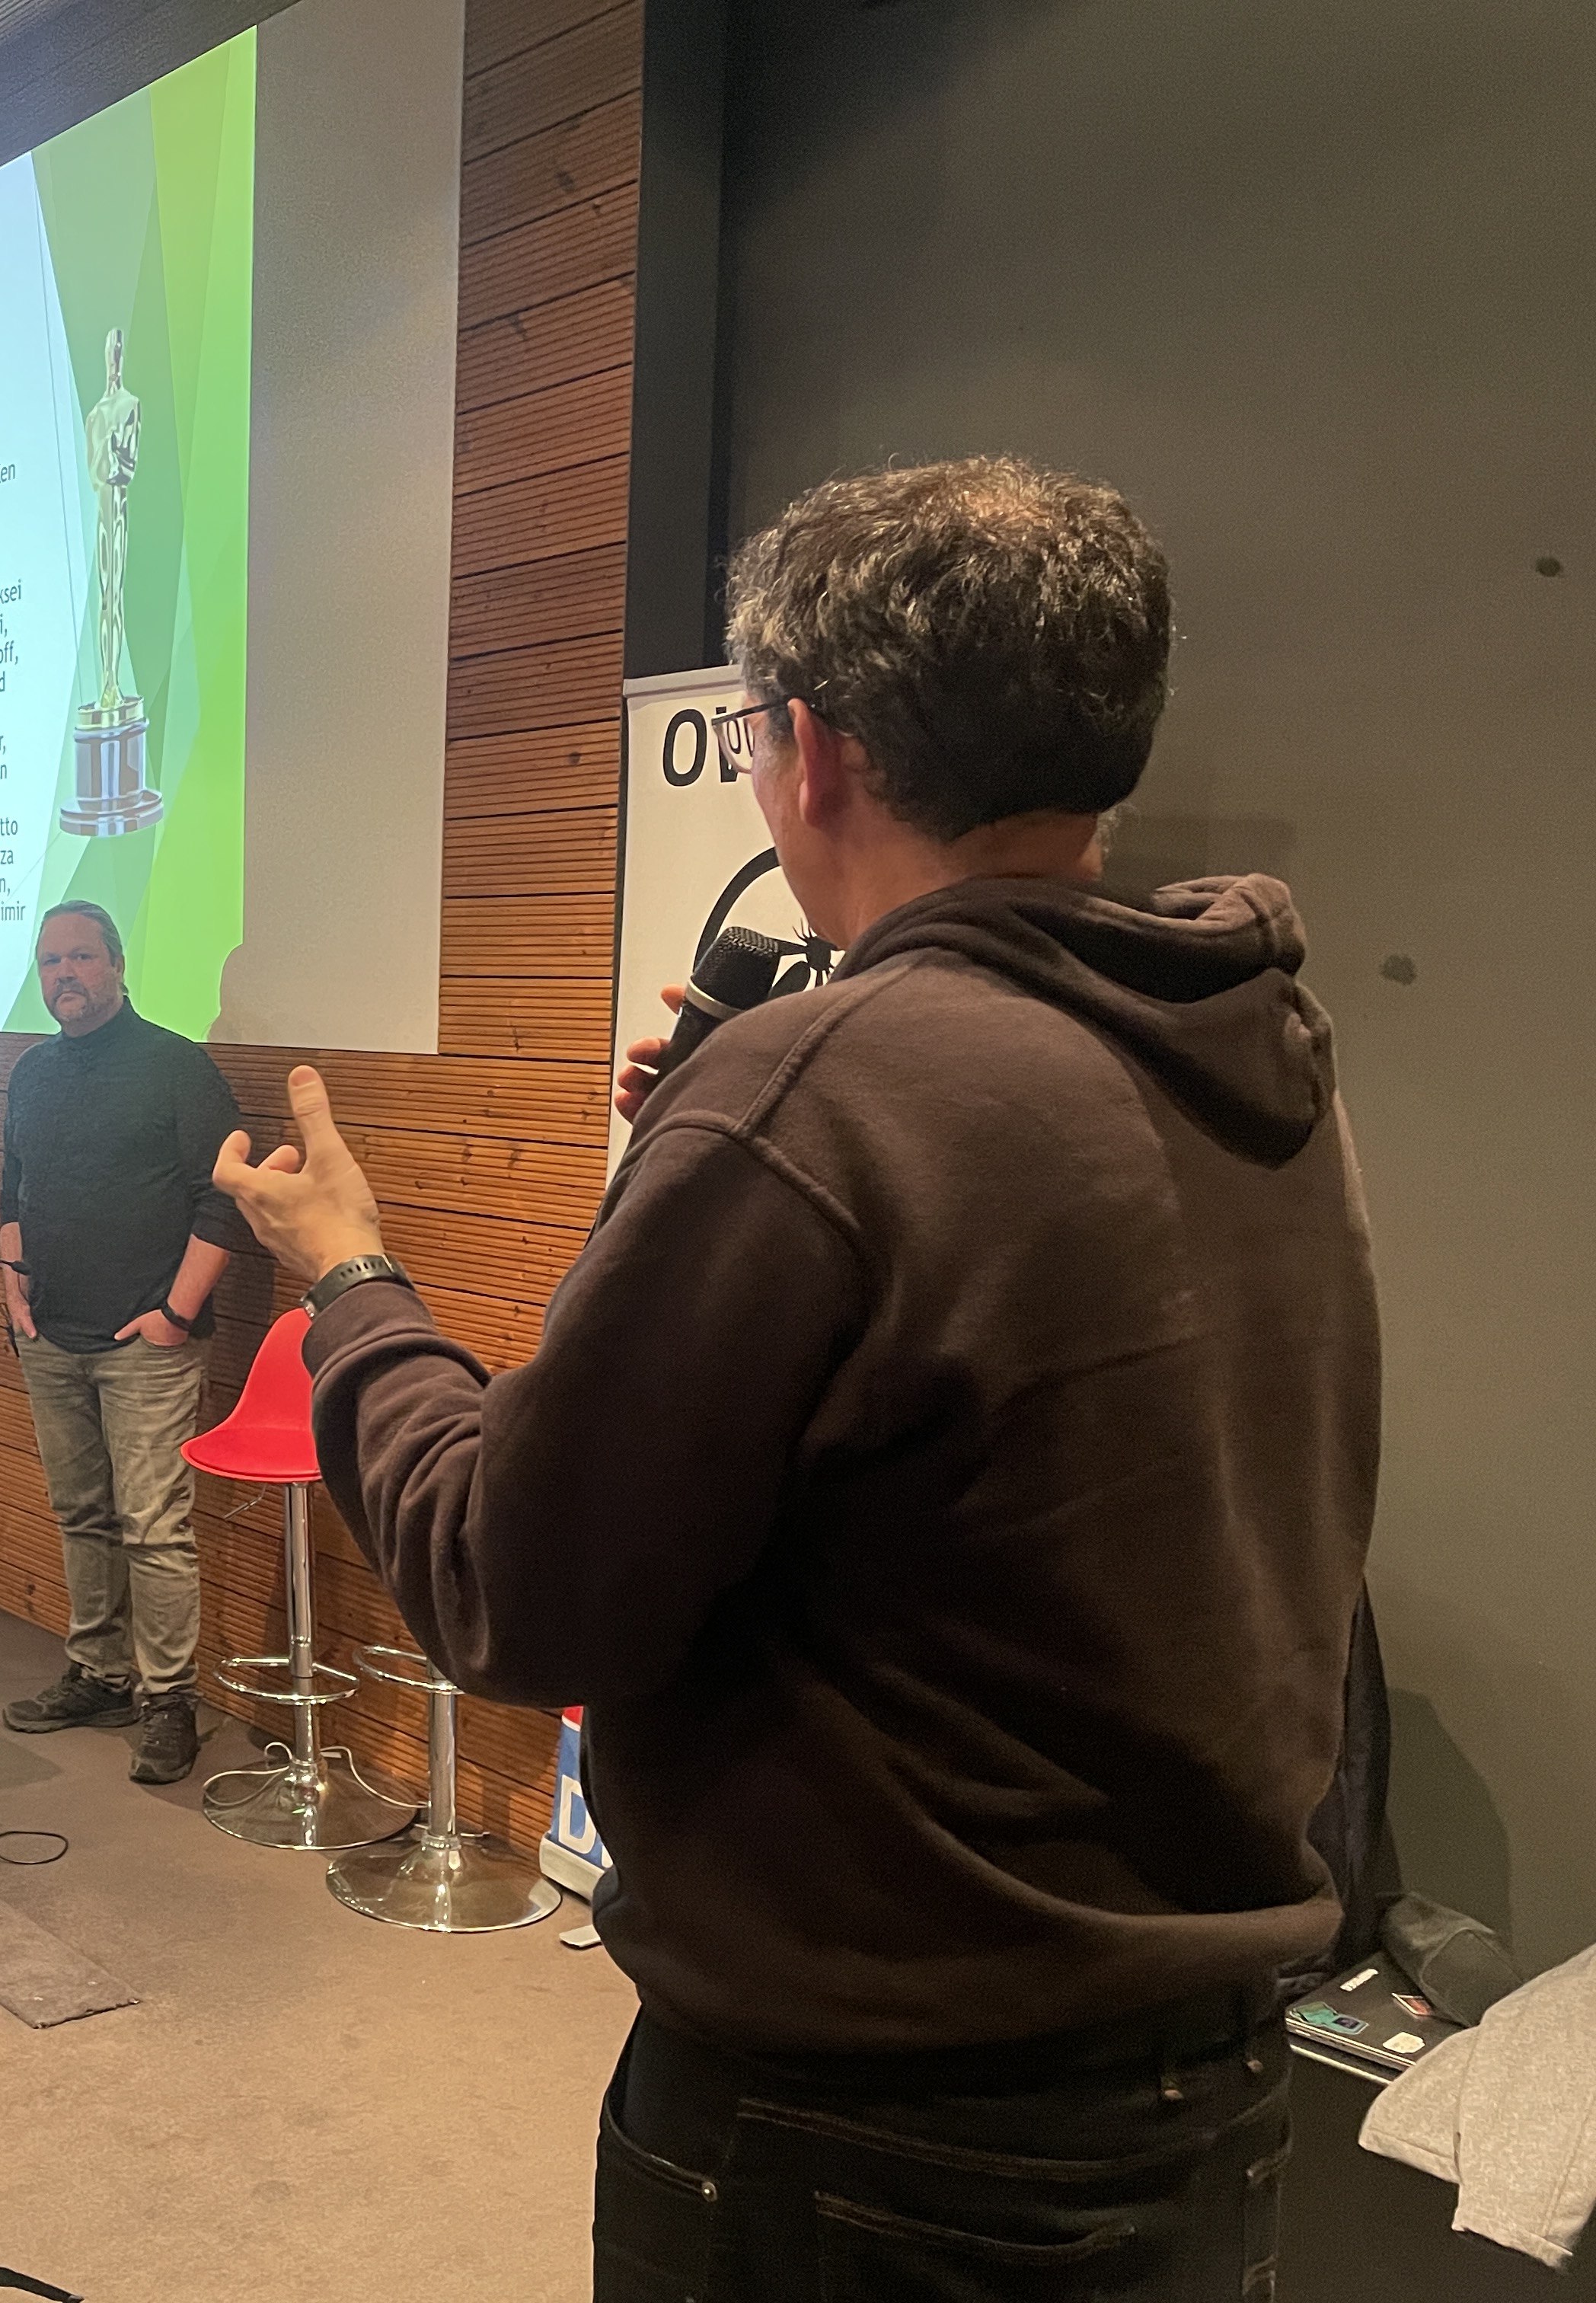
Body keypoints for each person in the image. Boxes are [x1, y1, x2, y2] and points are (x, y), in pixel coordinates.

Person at [215, 457, 1377, 2300]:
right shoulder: (1257, 1060)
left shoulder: (821, 1095)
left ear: (810, 752)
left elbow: (505, 1587)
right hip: (1193, 2099)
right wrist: (749, 1120)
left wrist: (351, 1279)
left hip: (871, 2152)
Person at [0, 899, 247, 1785]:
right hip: (51, 1337)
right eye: (50, 961)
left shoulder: (177, 1069)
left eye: (81, 958)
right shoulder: (31, 1072)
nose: (64, 975)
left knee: (154, 1527)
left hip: (149, 1344)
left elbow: (223, 1200)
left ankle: (168, 1700)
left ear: (118, 965)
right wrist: (13, 1282)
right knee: (82, 1515)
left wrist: (175, 1315)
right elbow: (14, 1184)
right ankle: (100, 1672)